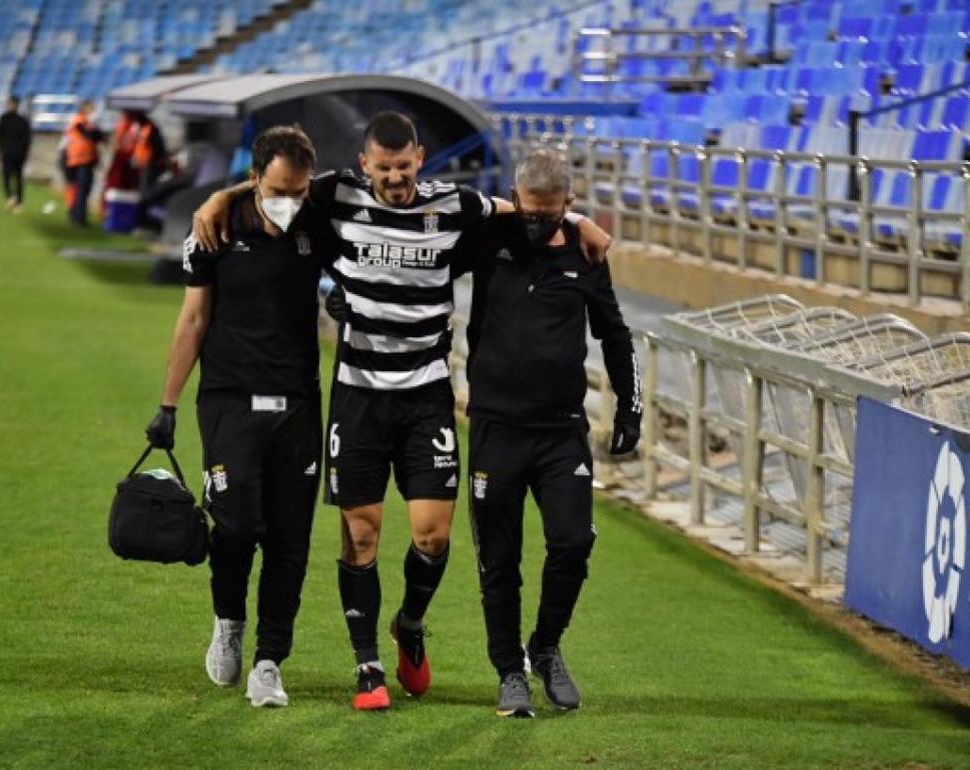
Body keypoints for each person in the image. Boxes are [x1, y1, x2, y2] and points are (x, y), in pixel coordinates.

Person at [193, 111, 613, 711]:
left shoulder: (454, 204)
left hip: (426, 393)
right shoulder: (337, 194)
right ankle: (367, 666)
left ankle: (410, 622)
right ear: (365, 164)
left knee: (432, 536)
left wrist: (577, 219)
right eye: (383, 167)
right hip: (359, 394)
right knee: (361, 533)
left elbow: (523, 209)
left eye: (404, 166)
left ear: (420, 159)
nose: (394, 177)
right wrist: (219, 198)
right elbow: (276, 185)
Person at [145, 126, 335, 708]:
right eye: (279, 190)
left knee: (289, 539)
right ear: (254, 179)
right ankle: (228, 621)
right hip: (229, 400)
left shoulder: (318, 220)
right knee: (235, 528)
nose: (290, 202)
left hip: (297, 405)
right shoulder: (215, 230)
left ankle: (270, 661)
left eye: (299, 191)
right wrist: (168, 403)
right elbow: (193, 320)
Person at [454, 148, 641, 718]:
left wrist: (630, 409)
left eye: (552, 213)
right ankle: (509, 671)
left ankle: (546, 645)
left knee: (573, 542)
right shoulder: (490, 238)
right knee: (499, 559)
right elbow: (424, 241)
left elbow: (614, 334)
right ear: (515, 199)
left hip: (561, 430)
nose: (538, 223)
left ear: (569, 203)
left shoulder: (585, 253)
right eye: (530, 212)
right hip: (496, 428)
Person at [64, 100, 103, 226]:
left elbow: (97, 136)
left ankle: (77, 215)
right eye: (91, 108)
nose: (93, 111)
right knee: (80, 189)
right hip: (79, 160)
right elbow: (92, 135)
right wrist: (97, 132)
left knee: (82, 190)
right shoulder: (79, 120)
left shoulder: (86, 122)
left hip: (82, 160)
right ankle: (78, 217)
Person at [0, 96, 31, 213]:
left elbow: (27, 139)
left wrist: (25, 153)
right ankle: (10, 198)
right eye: (9, 103)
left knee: (18, 178)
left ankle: (18, 202)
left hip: (18, 154)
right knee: (6, 177)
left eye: (12, 103)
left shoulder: (22, 120)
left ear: (17, 105)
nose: (10, 106)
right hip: (7, 153)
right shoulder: (3, 119)